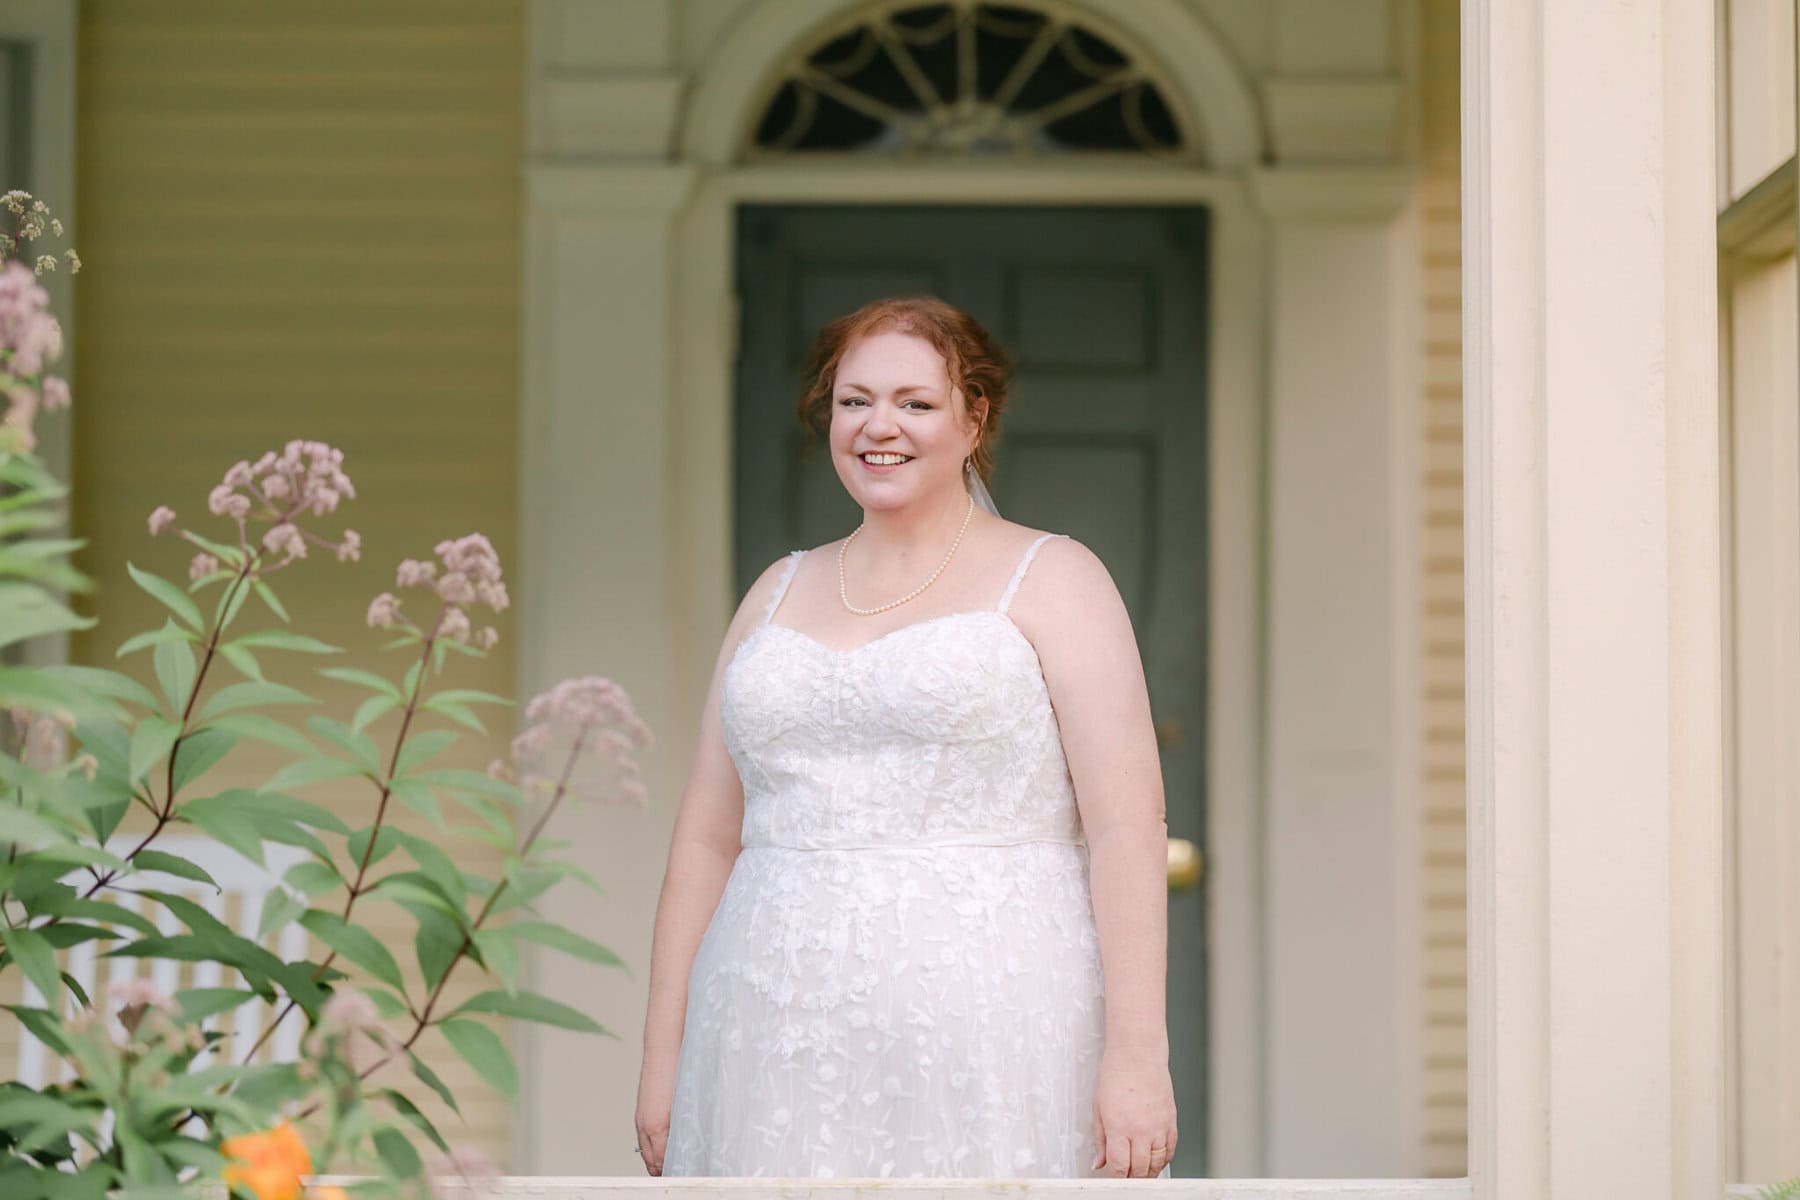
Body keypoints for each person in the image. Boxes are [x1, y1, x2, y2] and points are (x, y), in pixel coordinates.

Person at [633, 296, 1176, 1179]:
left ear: (974, 420)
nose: (879, 426)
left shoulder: (1056, 578)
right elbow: (706, 836)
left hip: (988, 1018)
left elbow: (1126, 828)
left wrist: (1138, 1056)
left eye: (915, 403)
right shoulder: (776, 590)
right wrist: (665, 1057)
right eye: (854, 401)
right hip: (765, 1025)